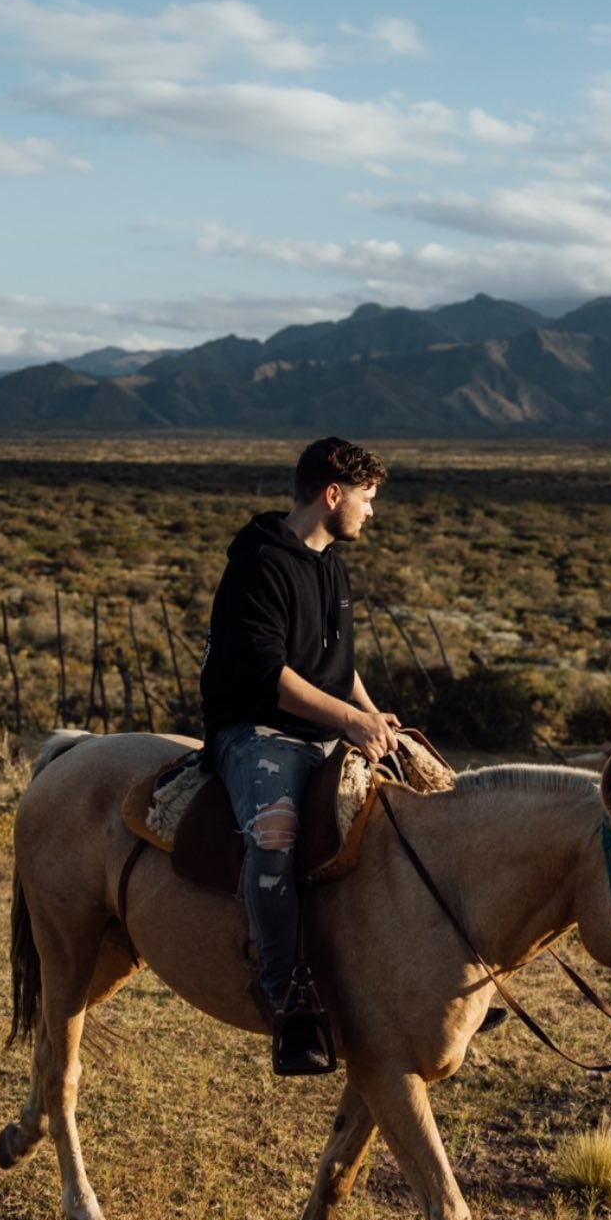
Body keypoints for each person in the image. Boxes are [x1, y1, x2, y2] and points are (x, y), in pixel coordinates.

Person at [200, 435, 400, 1073]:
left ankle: (417, 978)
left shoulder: (331, 562)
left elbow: (339, 666)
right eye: (366, 499)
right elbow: (268, 678)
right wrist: (349, 721)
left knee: (419, 807)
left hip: (324, 726)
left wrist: (369, 717)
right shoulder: (258, 564)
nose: (372, 512)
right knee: (276, 836)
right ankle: (286, 997)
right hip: (257, 733)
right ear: (332, 495)